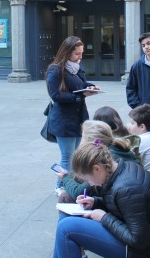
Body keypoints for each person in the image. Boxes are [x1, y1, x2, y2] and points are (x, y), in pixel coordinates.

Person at [53, 140, 150, 258]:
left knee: (66, 228)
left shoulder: (127, 188)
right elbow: (123, 208)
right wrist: (95, 202)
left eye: (88, 179)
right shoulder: (120, 169)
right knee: (65, 217)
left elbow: (139, 240)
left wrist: (103, 217)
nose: (89, 184)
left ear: (96, 168)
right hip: (143, 240)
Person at [47, 36, 99, 192]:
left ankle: (70, 184)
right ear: (67, 52)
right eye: (77, 54)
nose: (80, 57)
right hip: (64, 120)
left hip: (79, 118)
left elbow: (81, 84)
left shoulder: (77, 66)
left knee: (75, 155)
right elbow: (55, 96)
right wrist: (80, 96)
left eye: (82, 53)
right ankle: (60, 187)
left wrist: (90, 87)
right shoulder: (55, 70)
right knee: (67, 157)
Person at [57, 121, 139, 203]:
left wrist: (65, 178)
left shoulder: (103, 159)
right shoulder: (118, 147)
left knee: (65, 197)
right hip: (118, 198)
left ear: (91, 142)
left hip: (118, 201)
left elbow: (79, 192)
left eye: (83, 137)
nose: (81, 142)